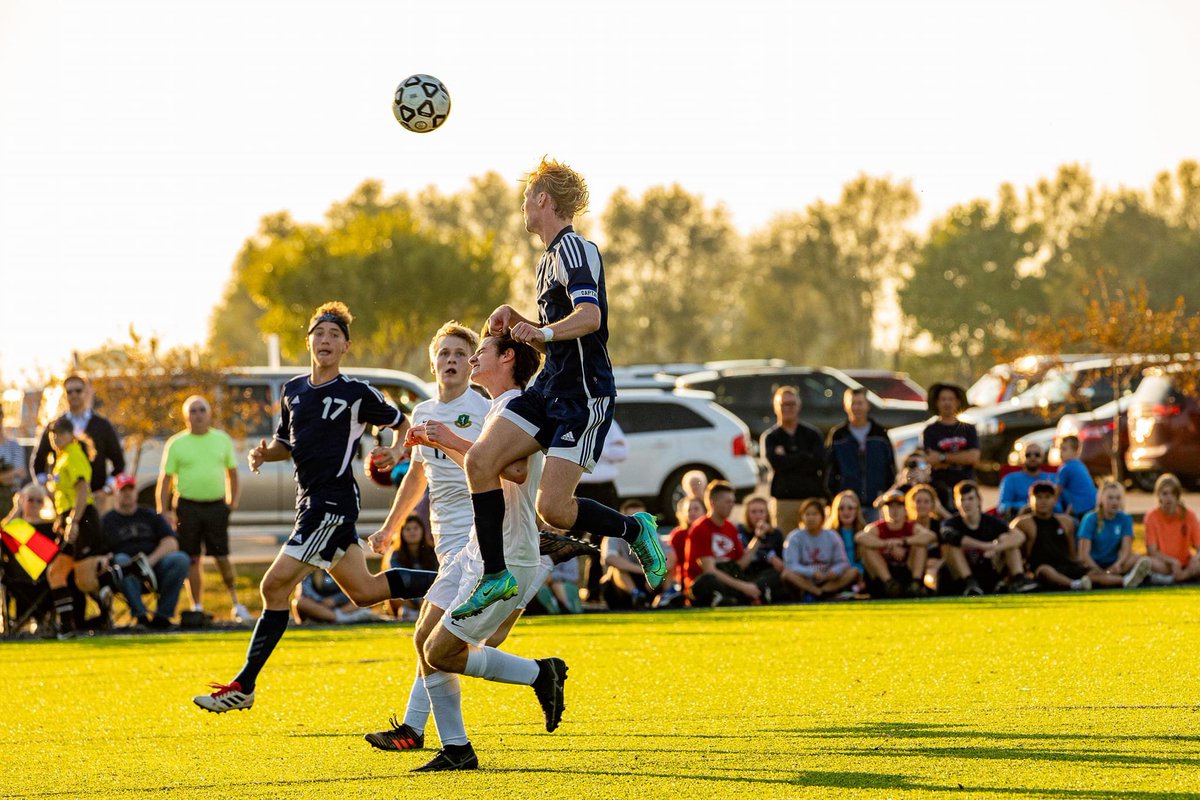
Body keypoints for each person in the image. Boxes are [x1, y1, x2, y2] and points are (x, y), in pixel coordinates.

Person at [192, 302, 435, 713]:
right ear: (308, 342)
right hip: (310, 504)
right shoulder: (293, 391)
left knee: (273, 586)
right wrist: (263, 455)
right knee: (365, 591)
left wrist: (396, 451)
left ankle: (244, 686)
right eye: (318, 333)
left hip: (332, 505)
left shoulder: (356, 392)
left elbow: (404, 421)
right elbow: (286, 443)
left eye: (333, 335)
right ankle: (453, 583)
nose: (325, 340)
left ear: (346, 346)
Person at [452, 157, 665, 621]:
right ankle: (495, 575)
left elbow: (591, 319)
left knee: (555, 509)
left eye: (527, 196)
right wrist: (519, 319)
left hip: (583, 395)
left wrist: (542, 333)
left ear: (543, 199)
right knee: (480, 461)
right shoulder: (546, 261)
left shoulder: (575, 249)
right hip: (550, 387)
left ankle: (634, 528)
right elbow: (557, 333)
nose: (523, 205)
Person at [386, 331, 569, 772]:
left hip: (507, 552)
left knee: (445, 651)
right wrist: (438, 441)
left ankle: (540, 673)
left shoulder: (515, 406)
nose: (468, 361)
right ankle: (455, 748)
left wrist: (448, 437)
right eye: (448, 354)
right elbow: (485, 463)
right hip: (475, 548)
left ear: (505, 357)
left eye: (477, 352)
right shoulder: (497, 408)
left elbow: (518, 470)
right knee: (424, 642)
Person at [362, 321, 492, 751]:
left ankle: (429, 736)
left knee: (431, 635)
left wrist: (452, 441)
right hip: (447, 540)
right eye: (444, 354)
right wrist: (390, 527)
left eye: (460, 354)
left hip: (479, 533)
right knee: (434, 637)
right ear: (433, 361)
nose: (451, 361)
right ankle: (417, 730)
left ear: (472, 364)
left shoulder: (485, 409)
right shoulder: (422, 412)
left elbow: (495, 469)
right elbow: (417, 474)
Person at [156, 395, 249, 624]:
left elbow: (233, 473)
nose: (198, 415)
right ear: (186, 417)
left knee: (221, 556)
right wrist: (163, 510)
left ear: (209, 414)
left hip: (216, 506)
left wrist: (231, 503)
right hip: (188, 507)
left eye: (201, 410)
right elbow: (165, 480)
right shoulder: (176, 443)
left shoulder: (222, 440)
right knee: (192, 558)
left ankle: (236, 603)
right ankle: (196, 606)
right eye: (193, 411)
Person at [92, 473, 190, 629]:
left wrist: (147, 562)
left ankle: (162, 618)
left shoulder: (150, 515)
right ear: (116, 493)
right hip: (124, 573)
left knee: (180, 559)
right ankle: (141, 617)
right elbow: (100, 552)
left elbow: (171, 543)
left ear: (136, 492)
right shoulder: (107, 521)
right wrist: (114, 560)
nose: (127, 494)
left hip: (154, 566)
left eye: (130, 489)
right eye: (123, 490)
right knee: (123, 561)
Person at [43, 418, 106, 636]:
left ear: (70, 434)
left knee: (86, 581)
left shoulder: (74, 454)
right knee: (56, 573)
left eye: (60, 433)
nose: (56, 437)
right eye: (53, 434)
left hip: (82, 518)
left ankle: (120, 579)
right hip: (68, 518)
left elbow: (82, 490)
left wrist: (74, 521)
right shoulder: (60, 458)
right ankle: (66, 627)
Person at [32, 374, 125, 513]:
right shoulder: (55, 427)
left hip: (95, 499)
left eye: (78, 390)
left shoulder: (102, 425)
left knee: (96, 534)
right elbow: (39, 461)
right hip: (64, 502)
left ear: (86, 392)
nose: (74, 395)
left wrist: (106, 490)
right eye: (69, 391)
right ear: (65, 395)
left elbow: (119, 462)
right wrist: (46, 487)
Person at [938, 481, 1035, 595]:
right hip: (962, 573)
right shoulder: (950, 523)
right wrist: (984, 546)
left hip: (990, 567)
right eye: (962, 500)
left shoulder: (991, 521)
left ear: (979, 501)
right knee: (952, 547)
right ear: (956, 503)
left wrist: (996, 548)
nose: (966, 503)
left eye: (970, 499)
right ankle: (970, 583)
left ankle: (1019, 579)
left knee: (1007, 540)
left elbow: (1019, 536)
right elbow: (951, 537)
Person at [684, 481, 764, 607]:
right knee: (708, 581)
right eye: (728, 502)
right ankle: (733, 598)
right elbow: (709, 570)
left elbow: (740, 565)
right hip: (706, 582)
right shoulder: (700, 528)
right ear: (713, 503)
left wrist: (758, 538)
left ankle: (732, 598)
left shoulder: (730, 527)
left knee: (768, 575)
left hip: (729, 579)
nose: (732, 505)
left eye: (732, 501)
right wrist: (743, 586)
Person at [760, 386, 826, 535]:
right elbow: (776, 463)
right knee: (786, 544)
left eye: (791, 404)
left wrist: (788, 458)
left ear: (799, 406)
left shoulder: (812, 435)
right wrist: (804, 456)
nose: (787, 408)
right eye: (783, 404)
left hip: (812, 499)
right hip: (784, 500)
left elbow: (819, 462)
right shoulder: (771, 437)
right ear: (776, 407)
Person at [576, 418, 627, 603]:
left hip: (604, 489)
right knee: (567, 538)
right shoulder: (569, 417)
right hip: (577, 487)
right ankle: (567, 591)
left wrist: (597, 449)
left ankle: (593, 590)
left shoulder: (607, 422)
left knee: (601, 540)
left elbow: (622, 452)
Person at [825, 388, 896, 520]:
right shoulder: (838, 435)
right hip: (847, 506)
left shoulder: (879, 434)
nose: (856, 407)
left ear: (867, 405)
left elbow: (891, 468)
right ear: (846, 406)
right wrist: (832, 499)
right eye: (853, 403)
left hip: (876, 502)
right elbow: (829, 470)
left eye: (860, 403)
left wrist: (887, 496)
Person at [855, 489, 936, 598]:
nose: (895, 510)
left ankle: (915, 583)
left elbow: (930, 536)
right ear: (884, 510)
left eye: (899, 506)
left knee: (920, 545)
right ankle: (890, 584)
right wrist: (887, 544)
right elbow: (860, 537)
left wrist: (902, 542)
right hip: (884, 573)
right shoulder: (878, 527)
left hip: (906, 571)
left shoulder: (910, 526)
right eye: (890, 507)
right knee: (867, 548)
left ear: (905, 509)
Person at [1014, 481, 1091, 591]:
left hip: (1065, 566)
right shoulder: (1022, 523)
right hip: (1040, 568)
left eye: (1047, 497)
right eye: (1039, 497)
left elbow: (1072, 553)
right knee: (1045, 571)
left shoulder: (1066, 522)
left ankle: (1122, 580)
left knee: (1092, 572)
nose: (1043, 501)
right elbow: (1018, 553)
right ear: (1030, 500)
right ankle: (1075, 585)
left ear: (1054, 500)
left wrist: (1080, 567)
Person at [1076, 480, 1152, 589]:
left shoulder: (1125, 519)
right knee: (1091, 575)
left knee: (1137, 558)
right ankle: (1125, 581)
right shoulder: (1090, 519)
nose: (1114, 502)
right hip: (1094, 564)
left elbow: (1126, 549)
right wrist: (1098, 570)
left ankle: (1115, 579)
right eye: (1110, 498)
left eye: (1118, 498)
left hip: (1115, 564)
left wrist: (1118, 564)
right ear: (1101, 499)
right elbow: (1084, 555)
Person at [780, 498, 860, 600]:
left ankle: (825, 591)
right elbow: (791, 565)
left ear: (822, 517)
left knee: (853, 572)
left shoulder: (832, 536)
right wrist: (811, 572)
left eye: (814, 514)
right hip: (805, 579)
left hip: (828, 578)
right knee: (787, 574)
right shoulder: (794, 537)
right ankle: (815, 592)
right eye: (807, 514)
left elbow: (843, 562)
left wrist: (833, 572)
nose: (811, 518)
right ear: (802, 517)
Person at [600, 500, 672, 610]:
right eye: (633, 518)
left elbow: (671, 556)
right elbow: (610, 558)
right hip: (623, 586)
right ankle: (636, 594)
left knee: (666, 567)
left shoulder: (654, 536)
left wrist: (656, 573)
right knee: (617, 570)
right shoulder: (614, 536)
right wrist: (643, 570)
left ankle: (667, 597)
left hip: (649, 581)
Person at [921, 382, 980, 507]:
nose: (947, 403)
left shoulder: (968, 428)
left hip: (967, 488)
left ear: (958, 401)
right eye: (943, 399)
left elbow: (974, 457)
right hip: (940, 488)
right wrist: (961, 457)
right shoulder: (930, 431)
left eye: (951, 399)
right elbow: (931, 460)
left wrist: (942, 457)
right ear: (937, 402)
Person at [1144, 473, 1200, 585]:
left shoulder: (1189, 515)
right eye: (1165, 494)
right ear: (1158, 495)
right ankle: (1175, 578)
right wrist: (1172, 561)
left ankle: (1177, 579)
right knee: (1143, 562)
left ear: (1178, 496)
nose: (1168, 498)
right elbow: (1152, 551)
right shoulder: (1151, 517)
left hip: (1186, 564)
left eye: (1172, 494)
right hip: (1164, 564)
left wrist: (1196, 558)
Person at [384, 515, 439, 621]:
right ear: (401, 533)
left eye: (415, 528)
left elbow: (436, 578)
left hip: (428, 596)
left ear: (422, 530)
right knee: (391, 597)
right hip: (406, 597)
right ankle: (401, 618)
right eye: (408, 529)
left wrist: (423, 599)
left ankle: (421, 615)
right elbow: (398, 579)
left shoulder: (433, 552)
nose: (412, 532)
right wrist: (416, 601)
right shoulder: (395, 555)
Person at [735, 495, 786, 599]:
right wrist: (768, 556)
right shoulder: (740, 530)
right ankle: (755, 594)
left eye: (761, 512)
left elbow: (781, 562)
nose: (758, 516)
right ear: (747, 514)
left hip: (768, 574)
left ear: (767, 514)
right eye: (753, 512)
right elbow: (744, 553)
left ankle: (753, 592)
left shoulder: (776, 533)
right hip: (748, 571)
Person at [997, 442, 1059, 520]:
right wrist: (1026, 506)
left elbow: (1059, 505)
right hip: (1019, 519)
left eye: (1037, 454)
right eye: (1028, 455)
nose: (1032, 458)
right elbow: (1002, 506)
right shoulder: (1010, 479)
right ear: (1022, 457)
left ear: (1043, 457)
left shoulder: (1053, 478)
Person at [292, 569, 380, 624]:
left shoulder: (344, 565)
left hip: (344, 606)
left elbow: (355, 588)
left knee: (369, 595)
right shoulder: (310, 568)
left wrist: (335, 600)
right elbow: (305, 591)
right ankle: (340, 618)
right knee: (300, 602)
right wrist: (322, 601)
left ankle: (340, 616)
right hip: (321, 608)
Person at [666, 495, 705, 600]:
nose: (692, 513)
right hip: (685, 582)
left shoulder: (709, 532)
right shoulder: (678, 534)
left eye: (696, 509)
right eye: (688, 510)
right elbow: (670, 562)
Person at [825, 490, 866, 579]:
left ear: (857, 510)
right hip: (834, 575)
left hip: (858, 576)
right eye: (841, 508)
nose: (846, 512)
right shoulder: (828, 533)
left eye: (850, 508)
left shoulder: (865, 531)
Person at [1055, 435, 1097, 519]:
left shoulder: (1066, 468)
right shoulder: (1080, 465)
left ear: (1075, 451)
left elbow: (1056, 492)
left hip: (1081, 509)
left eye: (1064, 449)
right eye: (1059, 449)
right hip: (1093, 504)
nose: (1060, 452)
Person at [0, 405, 26, 519]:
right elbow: (16, 473)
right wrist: (12, 472)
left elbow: (20, 475)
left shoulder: (14, 446)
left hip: (12, 507)